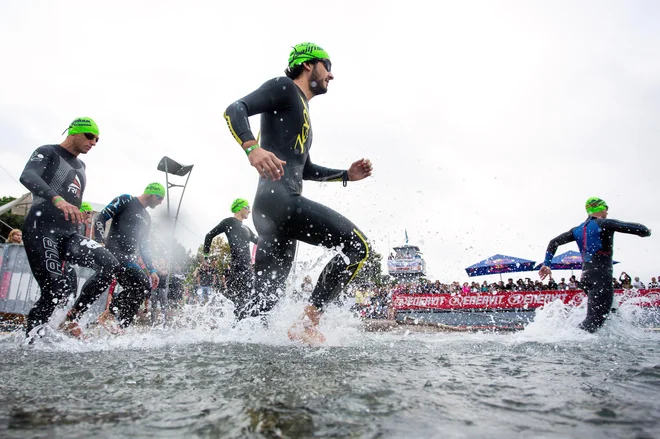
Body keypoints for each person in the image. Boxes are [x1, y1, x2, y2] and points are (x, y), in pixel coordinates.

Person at [223, 42, 373, 344]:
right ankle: (308, 322)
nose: (331, 75)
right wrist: (252, 148)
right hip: (281, 201)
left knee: (264, 302)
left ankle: (234, 342)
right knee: (358, 248)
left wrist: (346, 175)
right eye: (327, 66)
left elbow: (304, 168)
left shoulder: (300, 109)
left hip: (270, 210)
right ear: (308, 64)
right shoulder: (284, 88)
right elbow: (234, 109)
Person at [19, 117, 120, 339]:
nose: (93, 143)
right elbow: (27, 176)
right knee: (55, 287)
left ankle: (72, 317)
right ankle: (32, 341)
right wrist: (57, 200)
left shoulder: (81, 165)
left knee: (110, 265)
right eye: (90, 136)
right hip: (41, 228)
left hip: (68, 234)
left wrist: (77, 216)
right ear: (74, 132)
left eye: (97, 140)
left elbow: (72, 196)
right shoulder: (48, 151)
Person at [539, 197, 651, 333]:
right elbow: (643, 231)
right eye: (606, 209)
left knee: (612, 313)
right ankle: (564, 338)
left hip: (586, 278)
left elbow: (553, 242)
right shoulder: (605, 223)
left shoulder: (577, 230)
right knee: (593, 323)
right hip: (601, 278)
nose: (607, 213)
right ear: (602, 209)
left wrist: (547, 264)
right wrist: (649, 231)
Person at [93, 183, 164, 328]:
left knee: (142, 288)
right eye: (159, 197)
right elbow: (101, 217)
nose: (160, 202)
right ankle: (108, 315)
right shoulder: (126, 200)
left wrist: (152, 270)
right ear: (151, 193)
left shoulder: (147, 218)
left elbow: (144, 246)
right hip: (114, 253)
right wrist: (99, 243)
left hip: (129, 258)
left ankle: (120, 325)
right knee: (142, 283)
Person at [203, 198, 257, 318]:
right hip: (237, 267)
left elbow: (259, 241)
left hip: (248, 269)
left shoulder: (247, 229)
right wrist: (206, 256)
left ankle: (241, 327)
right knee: (237, 301)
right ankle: (232, 326)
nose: (249, 211)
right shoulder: (229, 222)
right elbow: (209, 235)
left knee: (247, 300)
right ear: (239, 208)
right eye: (247, 207)